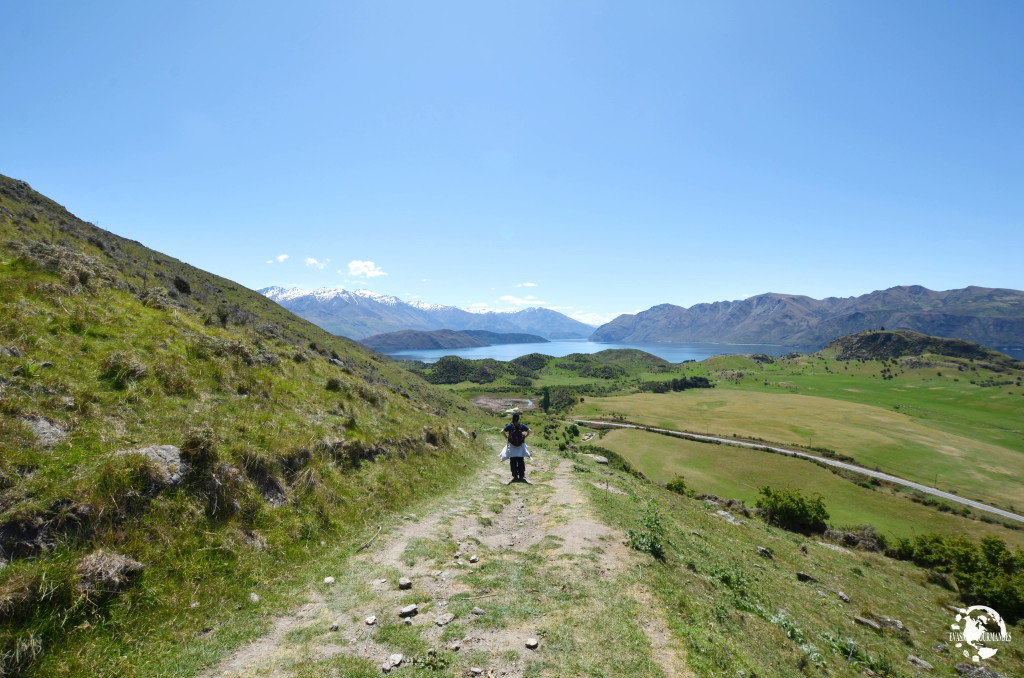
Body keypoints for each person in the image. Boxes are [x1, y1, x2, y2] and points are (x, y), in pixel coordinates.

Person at [501, 412, 531, 482]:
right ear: (518, 418)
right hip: (520, 445)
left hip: (512, 446)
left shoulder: (510, 425)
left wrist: (506, 437)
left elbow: (502, 431)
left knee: (513, 460)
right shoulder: (521, 425)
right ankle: (521, 475)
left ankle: (515, 475)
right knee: (521, 460)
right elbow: (529, 431)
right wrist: (525, 437)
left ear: (513, 418)